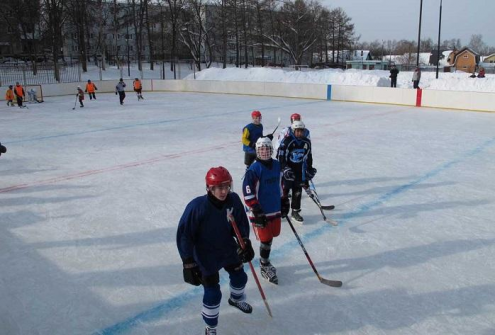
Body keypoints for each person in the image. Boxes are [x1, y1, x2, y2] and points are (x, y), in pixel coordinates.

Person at [177, 166, 255, 335]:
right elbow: (185, 235)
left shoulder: (233, 200)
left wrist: (246, 242)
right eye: (219, 187)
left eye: (226, 186)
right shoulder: (197, 207)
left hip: (227, 248)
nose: (224, 191)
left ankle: (236, 299)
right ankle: (210, 327)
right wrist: (188, 263)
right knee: (213, 294)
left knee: (240, 276)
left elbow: (241, 223)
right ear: (209, 188)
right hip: (205, 255)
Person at [243, 137, 288, 285]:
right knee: (266, 238)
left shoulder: (276, 165)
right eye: (261, 149)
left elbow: (280, 184)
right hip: (260, 212)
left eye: (267, 148)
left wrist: (284, 200)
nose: (265, 151)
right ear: (257, 151)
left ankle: (265, 260)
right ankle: (264, 264)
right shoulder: (254, 169)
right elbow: (248, 191)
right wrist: (255, 208)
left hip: (274, 208)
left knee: (273, 235)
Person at [277, 120, 316, 224]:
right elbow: (280, 156)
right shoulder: (287, 141)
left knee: (297, 191)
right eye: (297, 131)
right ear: (293, 131)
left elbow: (308, 156)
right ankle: (281, 209)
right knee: (284, 192)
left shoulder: (306, 142)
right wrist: (285, 168)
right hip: (288, 171)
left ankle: (295, 212)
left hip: (299, 171)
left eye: (301, 131)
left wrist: (309, 169)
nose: (299, 133)